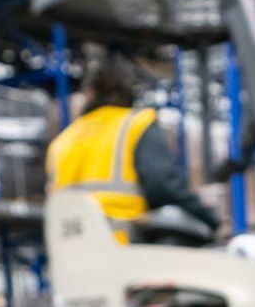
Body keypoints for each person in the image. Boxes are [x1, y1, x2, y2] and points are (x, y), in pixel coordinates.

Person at [46, 57, 220, 241]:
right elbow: (163, 185)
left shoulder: (62, 141)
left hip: (69, 254)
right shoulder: (136, 124)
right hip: (122, 249)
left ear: (90, 93)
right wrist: (208, 218)